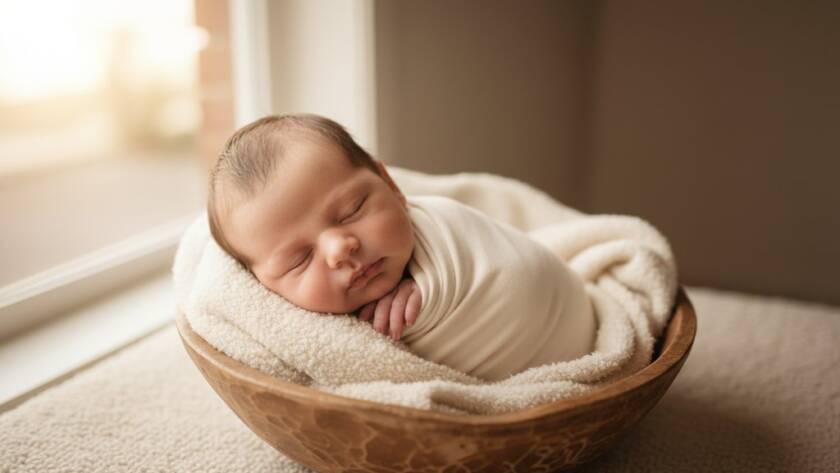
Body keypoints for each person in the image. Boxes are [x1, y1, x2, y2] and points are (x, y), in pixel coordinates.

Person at [207, 114, 596, 381]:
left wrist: (431, 285)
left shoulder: (443, 222)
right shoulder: (298, 326)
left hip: (572, 326)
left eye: (351, 210)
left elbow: (507, 264)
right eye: (299, 259)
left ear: (391, 185)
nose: (339, 249)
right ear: (262, 286)